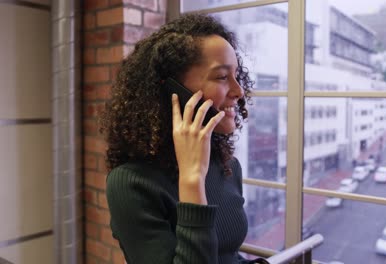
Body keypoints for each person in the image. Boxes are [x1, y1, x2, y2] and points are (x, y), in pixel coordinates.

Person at [101, 13, 268, 264]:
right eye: (222, 77)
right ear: (172, 91)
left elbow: (226, 256)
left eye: (236, 76)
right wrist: (192, 179)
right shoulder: (132, 184)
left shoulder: (226, 166)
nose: (239, 91)